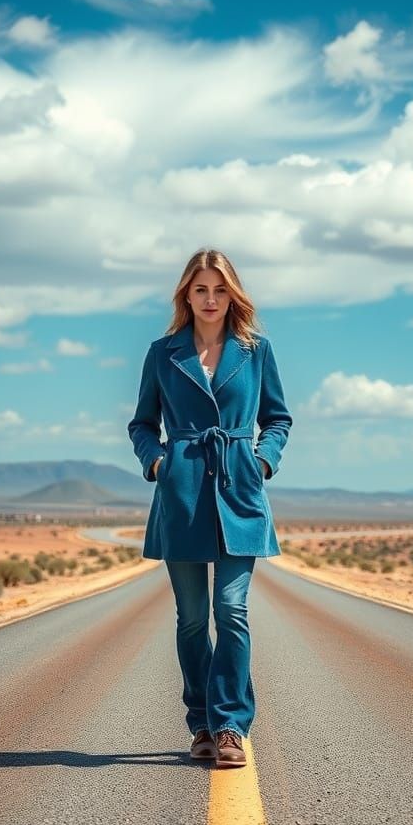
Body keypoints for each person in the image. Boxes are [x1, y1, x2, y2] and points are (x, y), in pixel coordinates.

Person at [127, 248, 293, 769]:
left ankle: (229, 727)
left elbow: (279, 419)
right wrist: (158, 462)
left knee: (232, 609)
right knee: (194, 618)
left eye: (220, 289)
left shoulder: (256, 350)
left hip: (240, 489)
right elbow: (140, 424)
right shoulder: (162, 352)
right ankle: (199, 720)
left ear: (233, 295)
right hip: (181, 490)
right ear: (186, 294)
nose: (211, 299)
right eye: (201, 289)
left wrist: (261, 462)